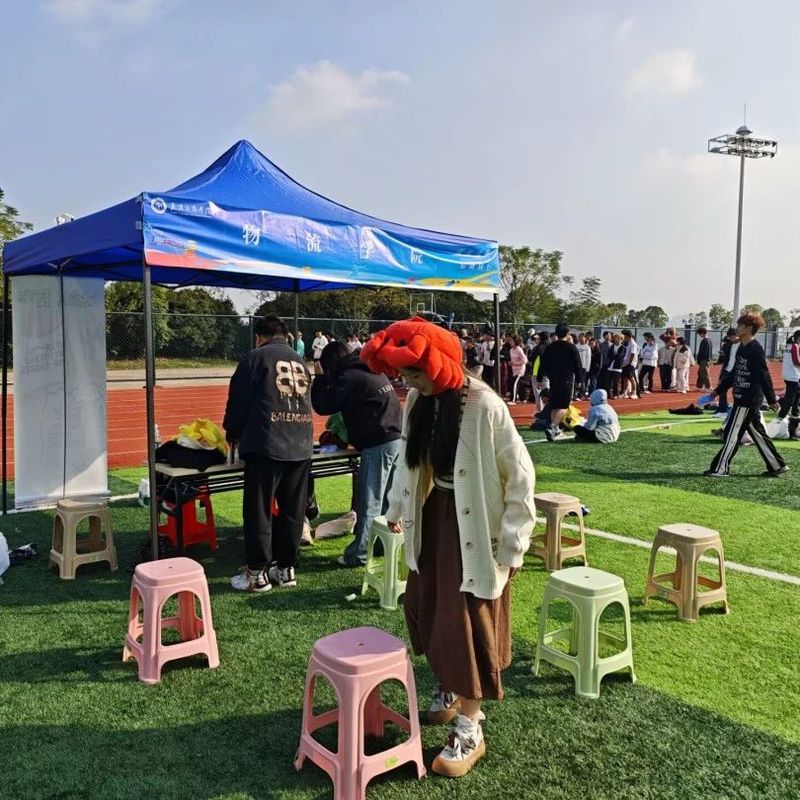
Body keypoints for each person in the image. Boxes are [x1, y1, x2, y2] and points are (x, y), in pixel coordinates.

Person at [361, 317, 535, 778]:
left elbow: (520, 477)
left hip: (474, 526)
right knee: (428, 607)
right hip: (433, 516)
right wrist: (396, 509)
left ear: (438, 364)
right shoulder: (419, 401)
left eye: (414, 373)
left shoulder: (485, 405)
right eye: (403, 374)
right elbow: (409, 461)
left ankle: (470, 726)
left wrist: (513, 544)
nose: (408, 382)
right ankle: (449, 687)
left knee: (466, 620)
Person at [224, 316, 313, 591]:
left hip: (266, 443)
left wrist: (232, 431)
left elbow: (238, 402)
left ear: (259, 337)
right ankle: (286, 569)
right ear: (286, 336)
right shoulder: (301, 362)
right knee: (293, 512)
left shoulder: (255, 358)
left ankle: (257, 573)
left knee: (258, 512)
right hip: (300, 444)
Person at [311, 341, 402, 566]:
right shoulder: (369, 369)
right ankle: (380, 546)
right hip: (396, 438)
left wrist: (319, 378)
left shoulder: (350, 376)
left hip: (378, 442)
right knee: (386, 502)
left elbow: (323, 405)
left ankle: (359, 553)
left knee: (369, 502)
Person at [705, 313, 787, 478]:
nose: (737, 328)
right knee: (758, 433)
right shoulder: (742, 347)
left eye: (740, 325)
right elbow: (735, 373)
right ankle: (777, 465)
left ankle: (720, 469)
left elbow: (764, 376)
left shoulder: (755, 349)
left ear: (749, 328)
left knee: (732, 434)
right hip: (742, 397)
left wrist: (772, 399)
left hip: (747, 400)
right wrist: (717, 390)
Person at [541, 323, 583, 441]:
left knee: (555, 404)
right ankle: (553, 426)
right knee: (564, 405)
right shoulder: (571, 347)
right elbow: (577, 365)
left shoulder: (550, 347)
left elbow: (543, 363)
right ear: (568, 333)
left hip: (553, 378)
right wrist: (579, 379)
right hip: (566, 378)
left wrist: (540, 377)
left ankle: (556, 430)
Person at [715, 328, 740, 416]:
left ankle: (737, 410)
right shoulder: (726, 345)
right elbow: (723, 359)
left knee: (737, 391)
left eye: (733, 337)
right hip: (727, 370)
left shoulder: (742, 345)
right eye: (730, 337)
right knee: (722, 388)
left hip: (737, 371)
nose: (732, 339)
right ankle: (722, 409)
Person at [778, 330, 800, 420]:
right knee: (789, 398)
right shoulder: (795, 346)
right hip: (792, 376)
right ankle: (781, 417)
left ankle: (795, 412)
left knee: (797, 392)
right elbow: (796, 362)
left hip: (787, 374)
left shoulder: (789, 345)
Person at [620, 329, 640, 399]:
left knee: (631, 378)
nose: (624, 338)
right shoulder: (628, 343)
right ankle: (625, 393)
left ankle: (634, 393)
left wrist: (630, 363)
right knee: (625, 378)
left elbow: (633, 354)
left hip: (630, 364)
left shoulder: (633, 344)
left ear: (628, 336)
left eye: (624, 336)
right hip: (625, 363)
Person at [508, 335, 528, 404]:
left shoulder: (519, 349)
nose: (510, 342)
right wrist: (510, 363)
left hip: (520, 370)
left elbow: (525, 360)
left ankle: (513, 400)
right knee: (521, 384)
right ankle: (523, 398)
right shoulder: (511, 350)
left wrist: (515, 363)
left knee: (515, 384)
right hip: (514, 370)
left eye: (511, 341)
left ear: (515, 342)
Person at [607, 333, 625, 398]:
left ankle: (615, 395)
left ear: (621, 340)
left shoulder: (623, 348)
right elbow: (608, 355)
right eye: (616, 338)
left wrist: (614, 356)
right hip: (610, 366)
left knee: (616, 382)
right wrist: (615, 355)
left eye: (619, 338)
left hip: (618, 367)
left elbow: (620, 356)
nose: (617, 339)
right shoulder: (612, 346)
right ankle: (608, 395)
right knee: (609, 382)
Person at [575, 333, 591, 398]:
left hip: (583, 367)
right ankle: (576, 393)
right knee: (576, 381)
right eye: (579, 337)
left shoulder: (587, 347)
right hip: (576, 366)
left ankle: (581, 394)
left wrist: (587, 368)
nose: (581, 338)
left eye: (582, 337)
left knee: (582, 381)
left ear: (585, 338)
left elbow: (588, 358)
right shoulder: (576, 346)